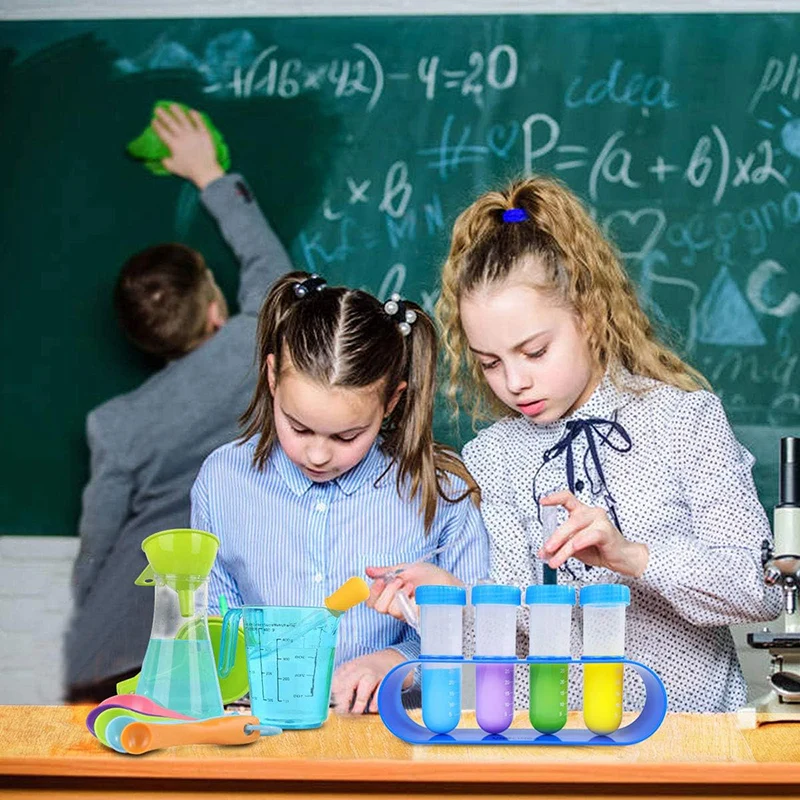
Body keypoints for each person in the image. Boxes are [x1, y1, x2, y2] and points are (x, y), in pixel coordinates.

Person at [367, 175, 782, 713]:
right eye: (490, 362)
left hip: (685, 742)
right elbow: (517, 633)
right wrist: (451, 600)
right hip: (550, 746)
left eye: (534, 351)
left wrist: (630, 556)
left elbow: (761, 590)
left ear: (588, 315)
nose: (514, 382)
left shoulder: (683, 419)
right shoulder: (493, 456)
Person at [65, 104, 293, 702]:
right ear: (216, 308)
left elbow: (96, 546)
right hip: (218, 643)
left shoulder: (116, 425)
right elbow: (273, 271)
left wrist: (85, 617)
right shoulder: (257, 347)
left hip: (116, 649)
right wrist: (208, 175)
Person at [190, 272, 489, 714]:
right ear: (273, 378)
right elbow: (213, 622)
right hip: (259, 734)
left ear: (390, 403)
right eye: (298, 426)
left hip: (392, 740)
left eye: (347, 436)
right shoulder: (223, 480)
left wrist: (400, 661)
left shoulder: (440, 494)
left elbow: (483, 644)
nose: (317, 454)